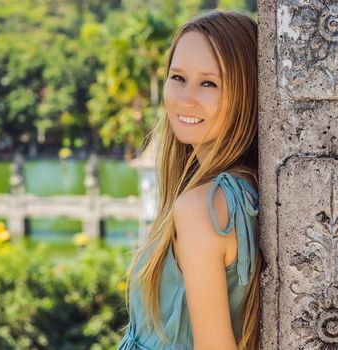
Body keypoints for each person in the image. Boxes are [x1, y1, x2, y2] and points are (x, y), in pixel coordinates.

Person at [119, 10, 261, 350]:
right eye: (178, 77)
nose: (185, 98)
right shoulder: (243, 191)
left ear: (246, 93)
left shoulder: (202, 208)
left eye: (209, 83)